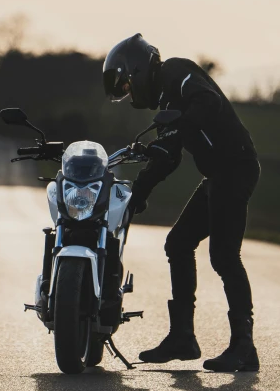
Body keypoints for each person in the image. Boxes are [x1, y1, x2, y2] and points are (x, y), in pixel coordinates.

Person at [103, 33, 261, 372]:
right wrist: (137, 195)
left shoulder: (178, 72)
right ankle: (183, 338)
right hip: (218, 174)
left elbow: (209, 102)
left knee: (224, 256)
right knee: (178, 243)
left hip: (235, 167)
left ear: (137, 71)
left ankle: (244, 348)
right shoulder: (167, 106)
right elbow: (167, 159)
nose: (130, 93)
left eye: (128, 84)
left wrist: (179, 124)